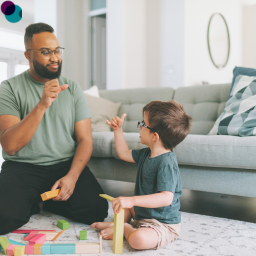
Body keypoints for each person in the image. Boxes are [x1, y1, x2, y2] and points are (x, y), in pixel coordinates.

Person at [0, 23, 108, 235]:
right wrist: (42, 105)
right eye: (45, 52)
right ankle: (34, 201)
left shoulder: (73, 88)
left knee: (96, 211)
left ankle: (43, 200)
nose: (54, 57)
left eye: (57, 50)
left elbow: (85, 139)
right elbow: (10, 146)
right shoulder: (9, 88)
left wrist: (73, 177)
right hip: (23, 167)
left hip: (64, 166)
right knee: (4, 218)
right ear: (28, 55)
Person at [91, 100, 192, 250]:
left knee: (138, 240)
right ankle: (119, 224)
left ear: (155, 136)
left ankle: (124, 228)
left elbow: (166, 197)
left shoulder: (166, 163)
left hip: (162, 224)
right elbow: (124, 153)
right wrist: (117, 130)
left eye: (143, 124)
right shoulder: (146, 154)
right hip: (141, 214)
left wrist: (132, 200)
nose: (139, 127)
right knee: (121, 206)